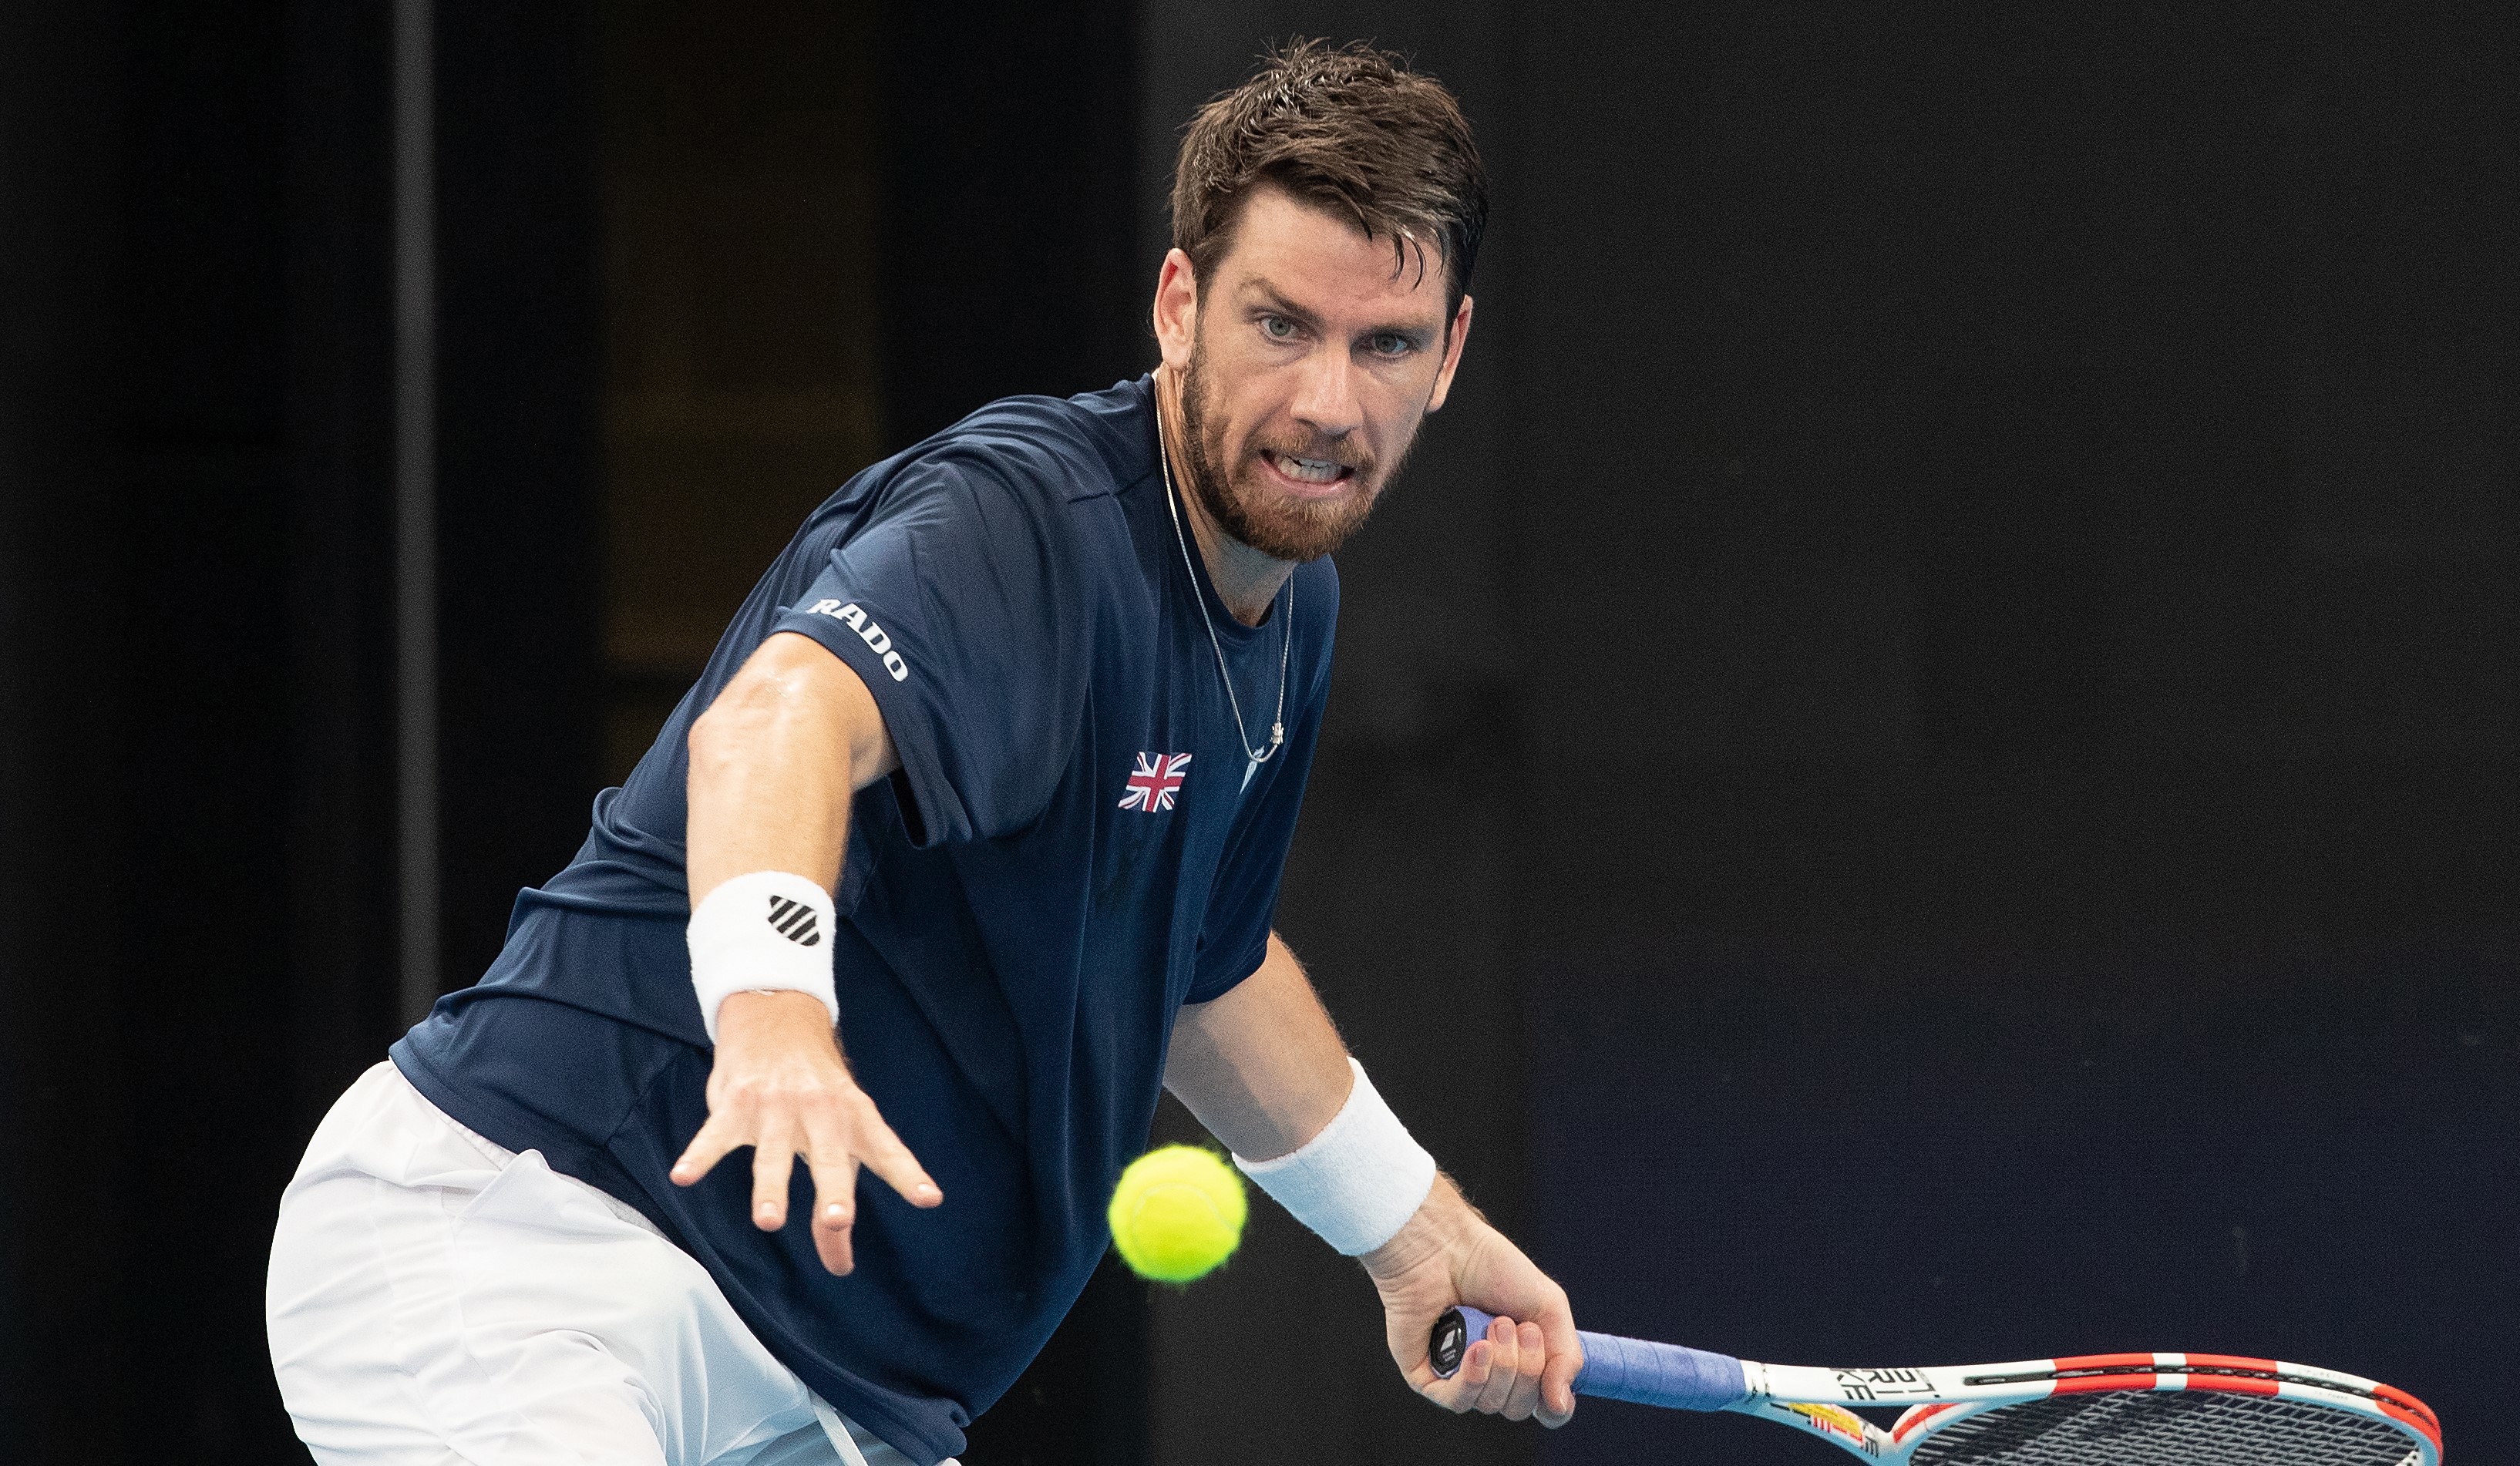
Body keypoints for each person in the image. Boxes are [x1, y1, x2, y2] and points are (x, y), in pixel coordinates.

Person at [267, 40, 1578, 1466]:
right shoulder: (1026, 525)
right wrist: (772, 1019)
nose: (1328, 401)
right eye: (1279, 325)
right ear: (1178, 305)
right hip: (542, 1246)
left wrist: (1418, 1234)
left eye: (1382, 344)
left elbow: (1198, 965)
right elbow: (773, 723)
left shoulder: (1285, 603)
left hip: (834, 1393)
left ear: (1446, 356)